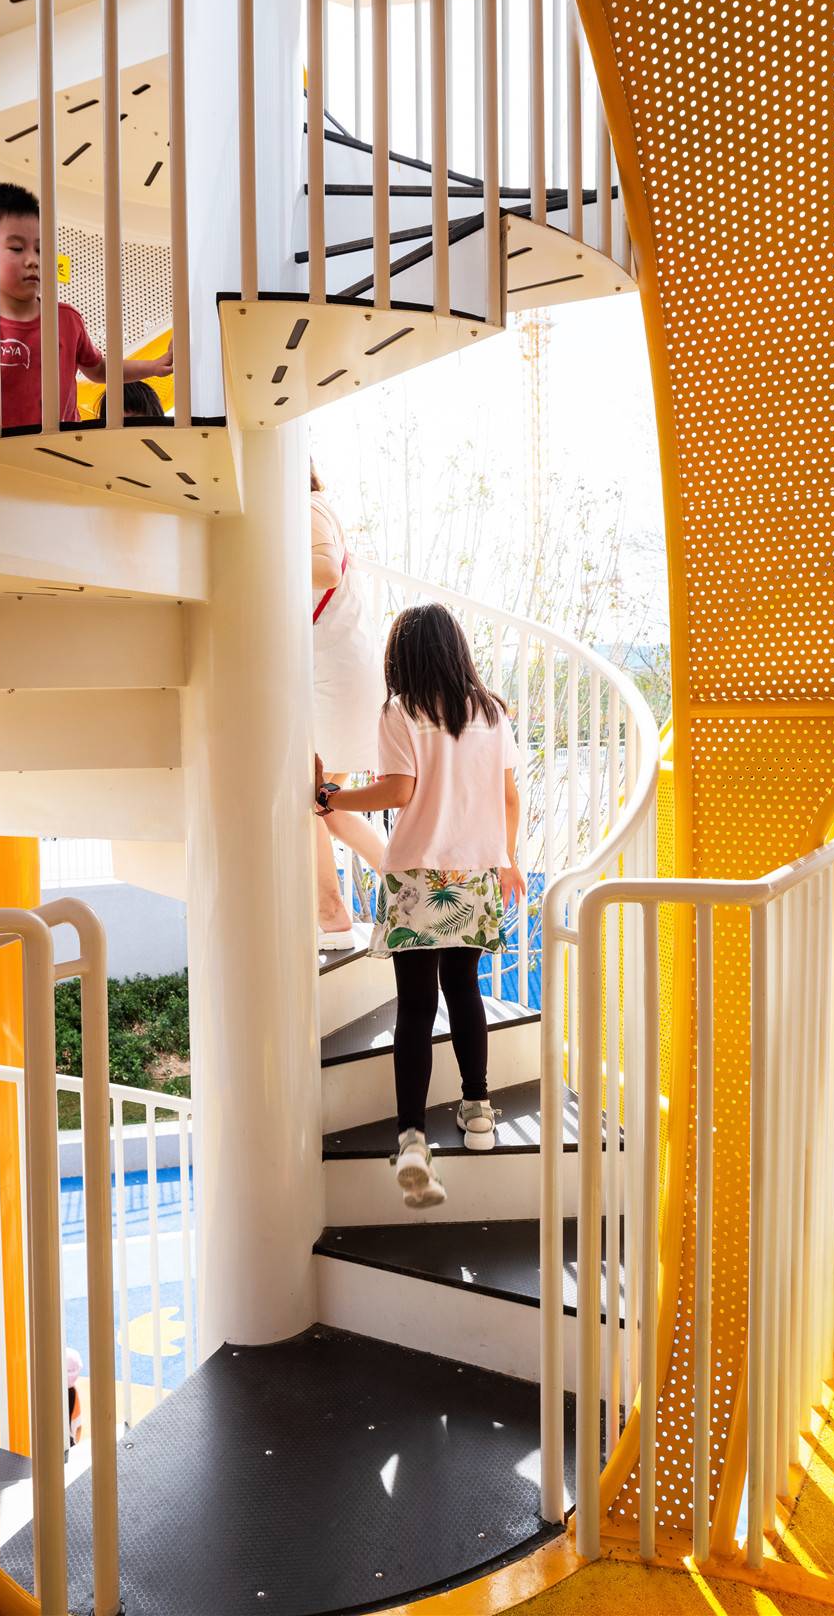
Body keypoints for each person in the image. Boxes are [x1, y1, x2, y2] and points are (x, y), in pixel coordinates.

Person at [316, 603, 525, 1206]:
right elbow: (509, 797)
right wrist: (508, 859)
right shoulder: (491, 712)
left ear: (402, 656)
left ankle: (411, 1141)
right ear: (457, 649)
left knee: (415, 1005)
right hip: (476, 874)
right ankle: (478, 1111)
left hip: (416, 877)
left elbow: (398, 790)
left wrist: (331, 797)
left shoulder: (401, 711)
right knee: (464, 991)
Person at [0, 183, 173, 428]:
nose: (33, 260)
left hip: (67, 443)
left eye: (40, 249)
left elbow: (99, 369)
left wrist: (154, 366)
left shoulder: (67, 319)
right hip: (10, 446)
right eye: (17, 248)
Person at [310, 466, 387, 948]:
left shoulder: (308, 507)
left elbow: (325, 569)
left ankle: (333, 914)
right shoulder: (313, 509)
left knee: (309, 801)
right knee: (323, 805)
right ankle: (407, 882)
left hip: (336, 679)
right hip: (338, 675)